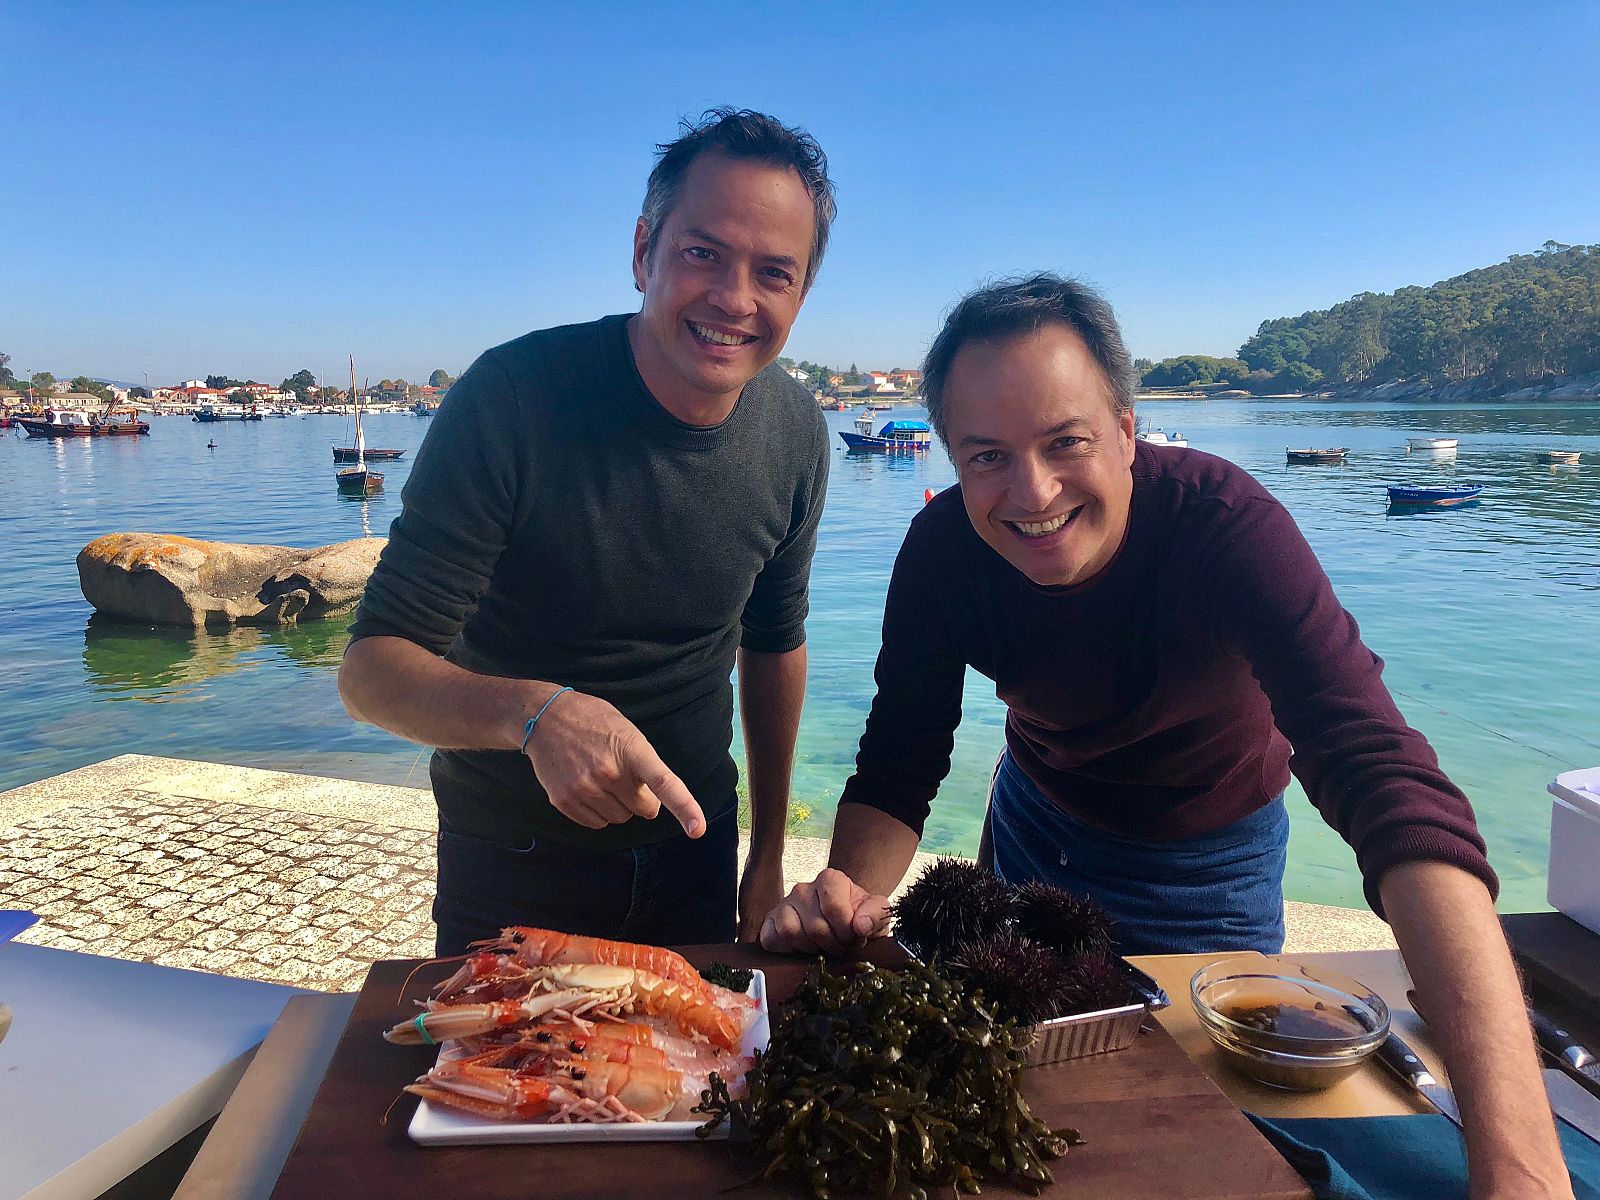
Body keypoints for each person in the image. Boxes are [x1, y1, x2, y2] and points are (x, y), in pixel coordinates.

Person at [762, 274, 1573, 1196]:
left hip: (1210, 853)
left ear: (1126, 428)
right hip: (1033, 818)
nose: (1031, 492)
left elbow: (1380, 776)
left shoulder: (1227, 531)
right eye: (985, 456)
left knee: (1199, 1122)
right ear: (950, 457)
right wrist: (844, 893)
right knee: (1020, 1096)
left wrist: (1521, 1168)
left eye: (1065, 441)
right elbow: (902, 758)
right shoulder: (943, 549)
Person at [339, 108, 835, 955]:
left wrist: (767, 851)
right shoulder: (514, 400)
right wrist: (536, 715)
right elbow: (371, 672)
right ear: (644, 251)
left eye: (774, 273)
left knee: (697, 1088)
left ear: (800, 294)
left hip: (695, 850)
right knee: (485, 1088)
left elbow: (776, 642)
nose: (734, 298)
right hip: (512, 858)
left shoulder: (795, 430)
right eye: (702, 253)